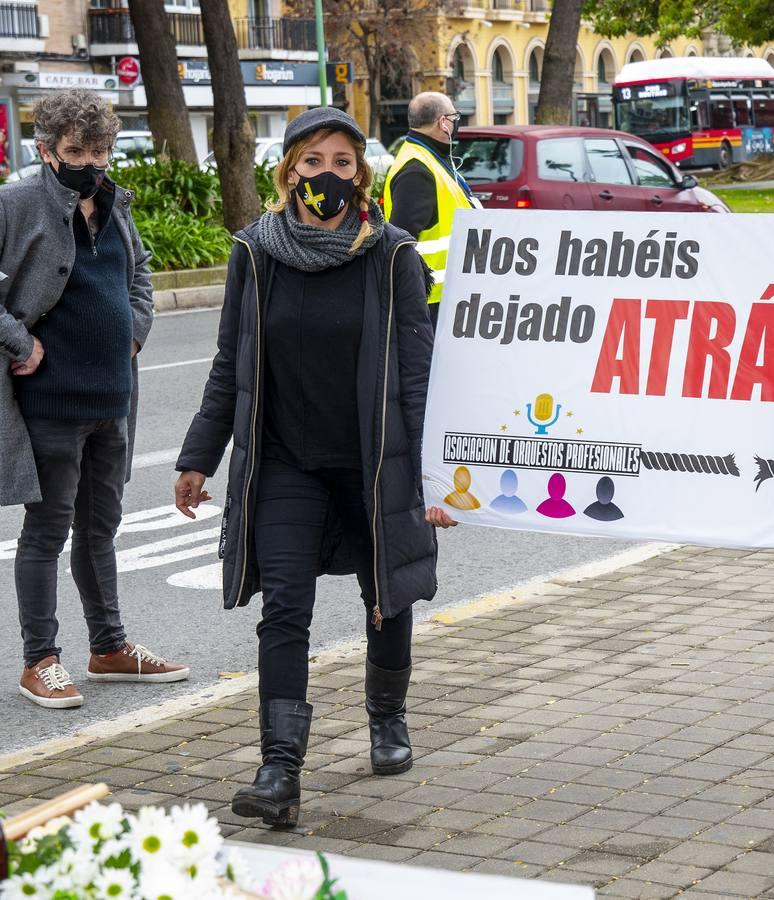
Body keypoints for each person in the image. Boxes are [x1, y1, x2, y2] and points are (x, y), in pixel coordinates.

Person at [174, 107, 455, 829]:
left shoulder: (391, 256)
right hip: (286, 463)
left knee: (386, 595)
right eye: (311, 162)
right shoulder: (255, 254)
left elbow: (418, 376)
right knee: (284, 610)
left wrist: (434, 476)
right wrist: (198, 457)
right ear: (288, 172)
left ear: (360, 173)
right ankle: (278, 770)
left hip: (374, 463)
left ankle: (387, 719)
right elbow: (230, 364)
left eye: (340, 162)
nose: (325, 175)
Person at [0, 89, 186, 711]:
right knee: (47, 531)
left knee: (101, 528)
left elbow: (141, 273)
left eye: (101, 150)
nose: (91, 162)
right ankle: (39, 660)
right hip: (50, 402)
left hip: (113, 397)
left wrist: (135, 328)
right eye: (77, 151)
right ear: (47, 150)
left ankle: (109, 647)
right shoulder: (17, 202)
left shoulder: (112, 203)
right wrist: (17, 342)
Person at [383, 92, 478, 328]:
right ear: (442, 122)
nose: (456, 124)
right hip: (432, 301)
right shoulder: (417, 170)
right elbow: (401, 240)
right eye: (454, 117)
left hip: (443, 296)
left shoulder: (426, 159)